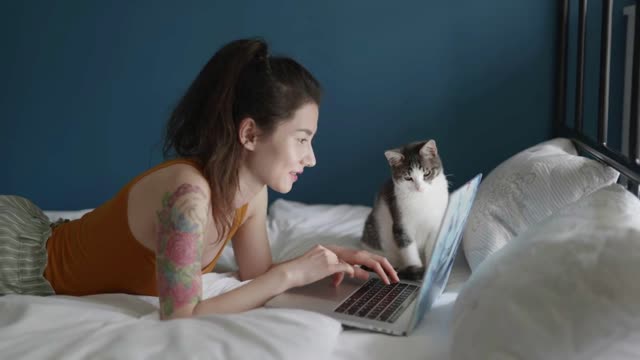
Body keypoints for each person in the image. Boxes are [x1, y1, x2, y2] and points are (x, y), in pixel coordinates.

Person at [0, 38, 399, 320]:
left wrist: (327, 257)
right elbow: (182, 314)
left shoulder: (252, 193)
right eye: (301, 140)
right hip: (17, 260)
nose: (310, 158)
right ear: (249, 135)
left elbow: (257, 274)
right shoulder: (188, 198)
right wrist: (291, 273)